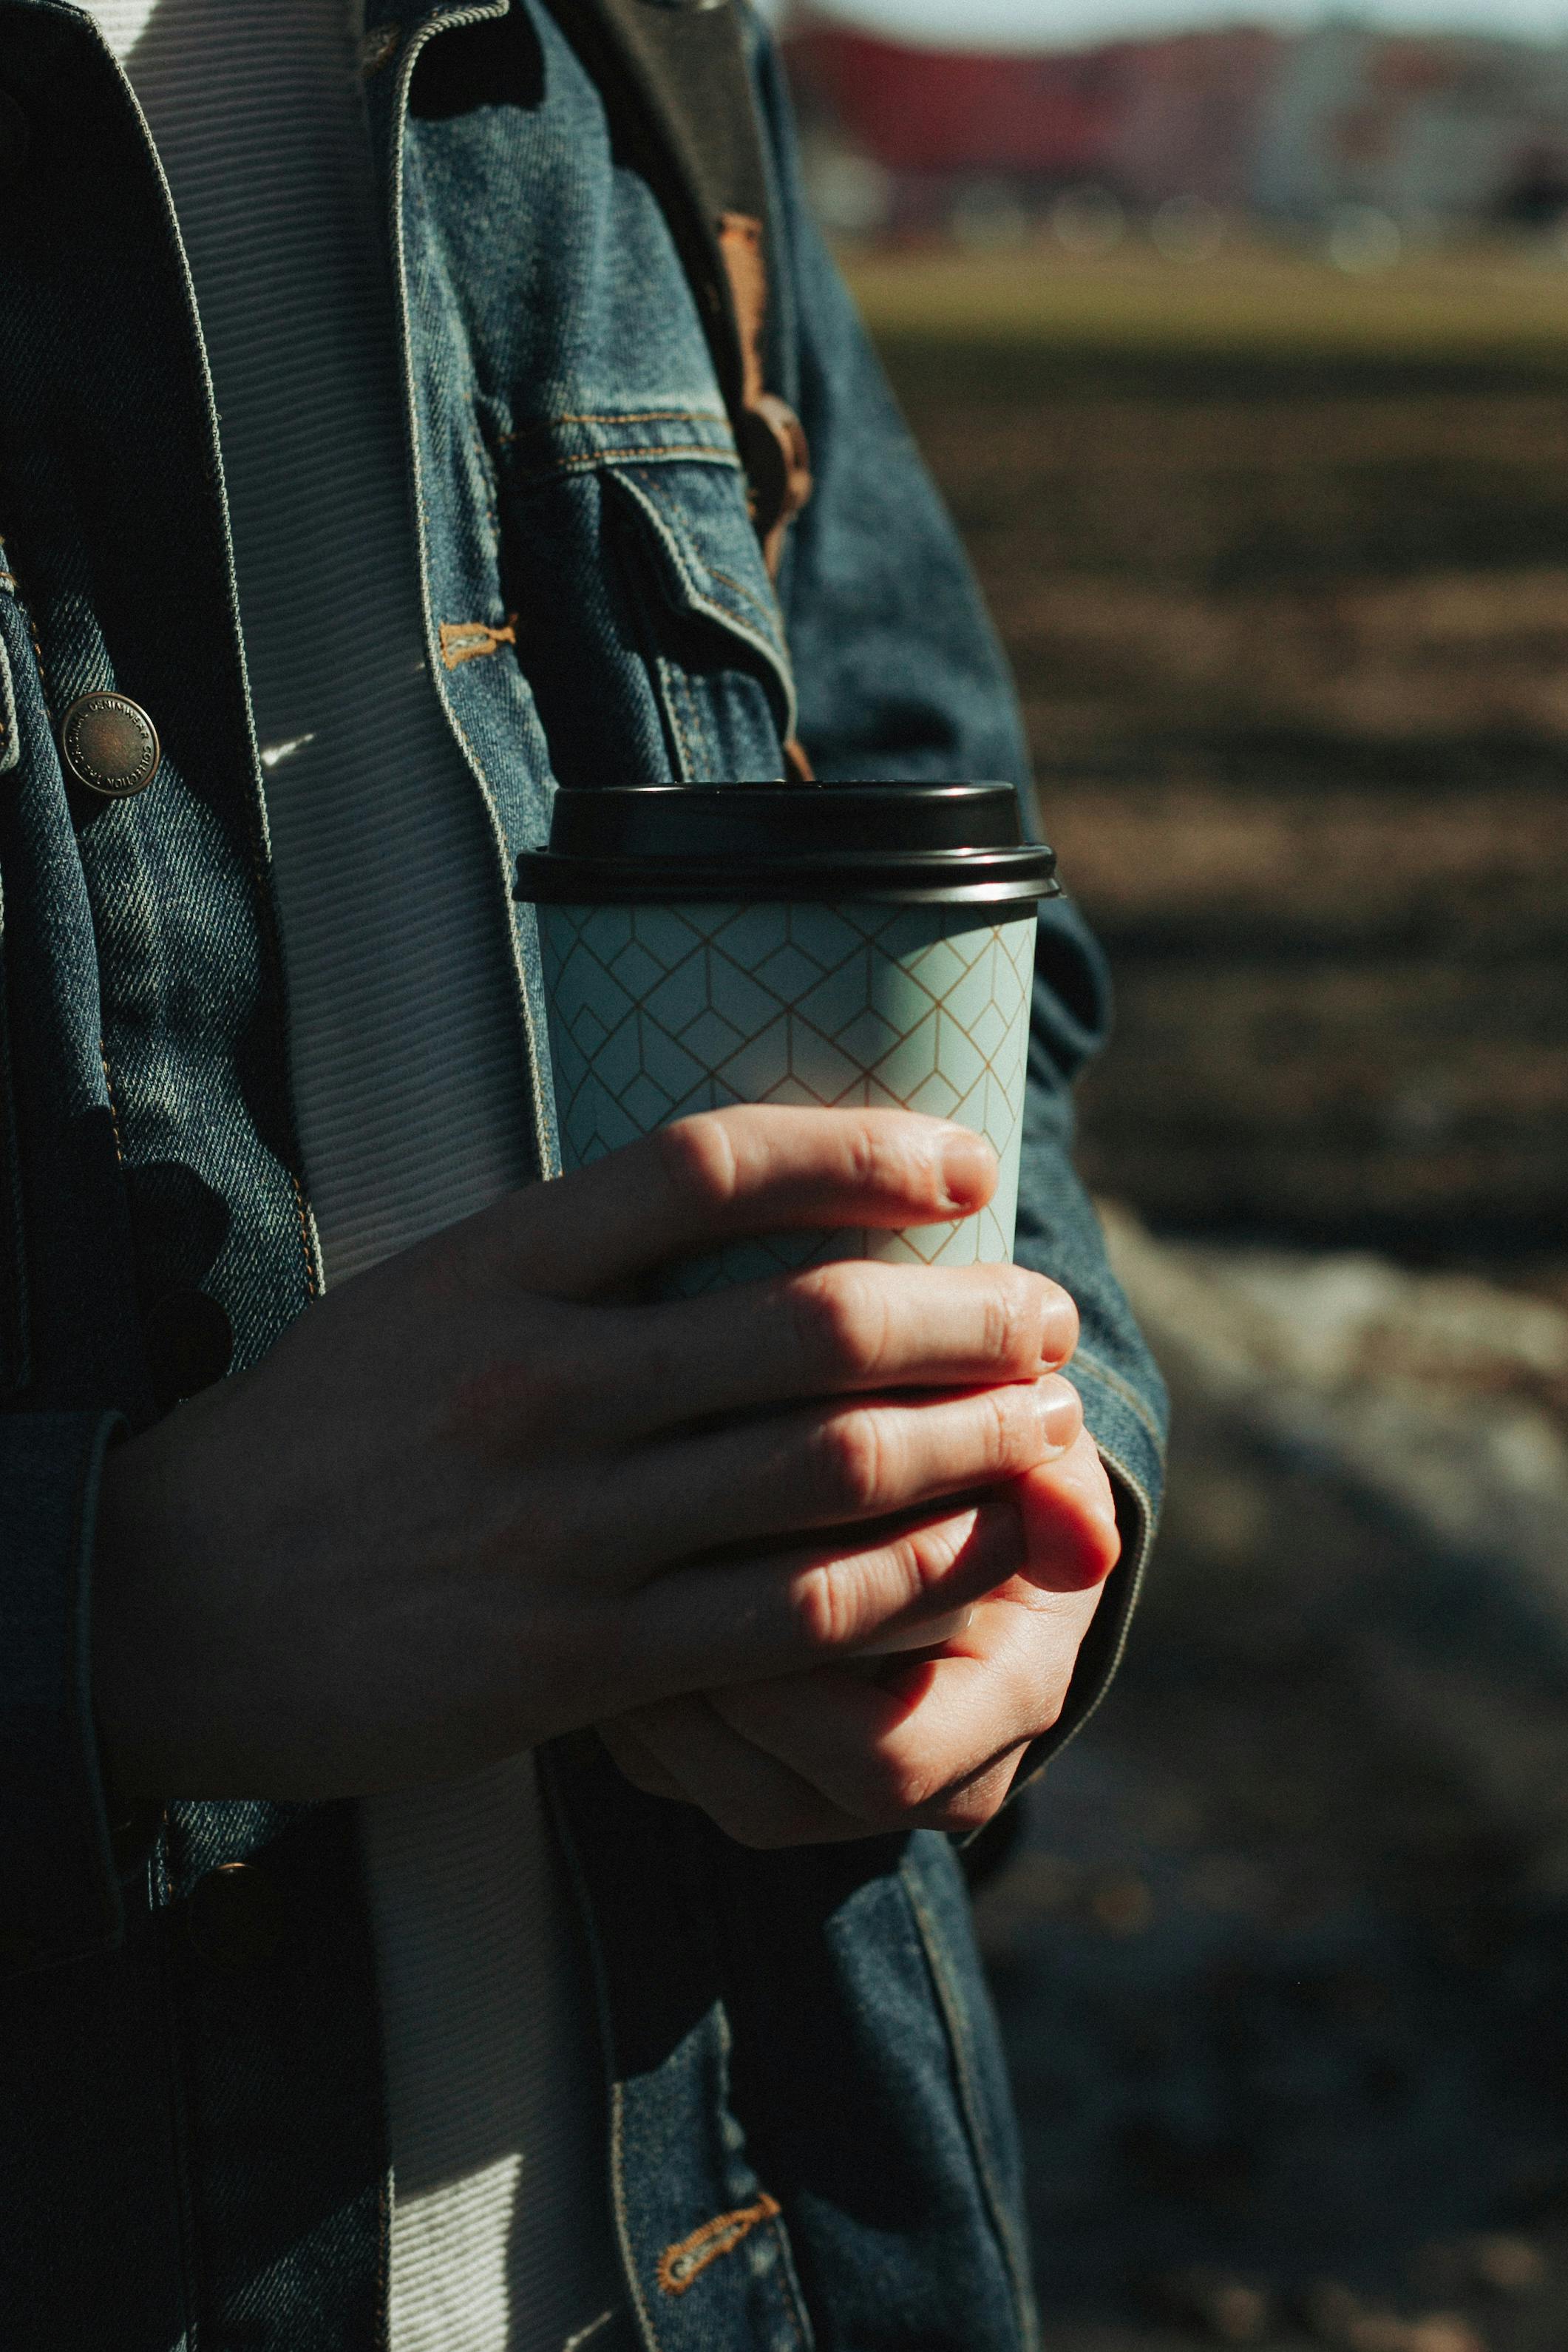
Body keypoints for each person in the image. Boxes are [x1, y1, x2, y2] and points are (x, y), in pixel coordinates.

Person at [0, 1, 1167, 2346]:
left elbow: (967, 931)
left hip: (784, 2246)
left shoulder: (631, 48)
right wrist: (112, 1634)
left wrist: (1041, 1495)